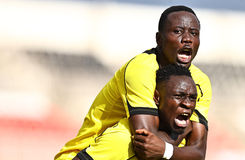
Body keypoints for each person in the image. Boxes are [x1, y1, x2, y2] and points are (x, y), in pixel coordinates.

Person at [55, 5, 212, 160]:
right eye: (177, 31)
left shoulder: (200, 81)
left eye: (194, 33)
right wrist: (185, 131)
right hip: (93, 153)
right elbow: (146, 145)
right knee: (129, 138)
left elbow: (197, 153)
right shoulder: (141, 69)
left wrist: (167, 150)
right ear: (159, 39)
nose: (187, 39)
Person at [73, 64, 198, 160]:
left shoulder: (184, 142)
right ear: (157, 98)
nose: (187, 104)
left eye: (192, 98)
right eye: (178, 96)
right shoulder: (123, 139)